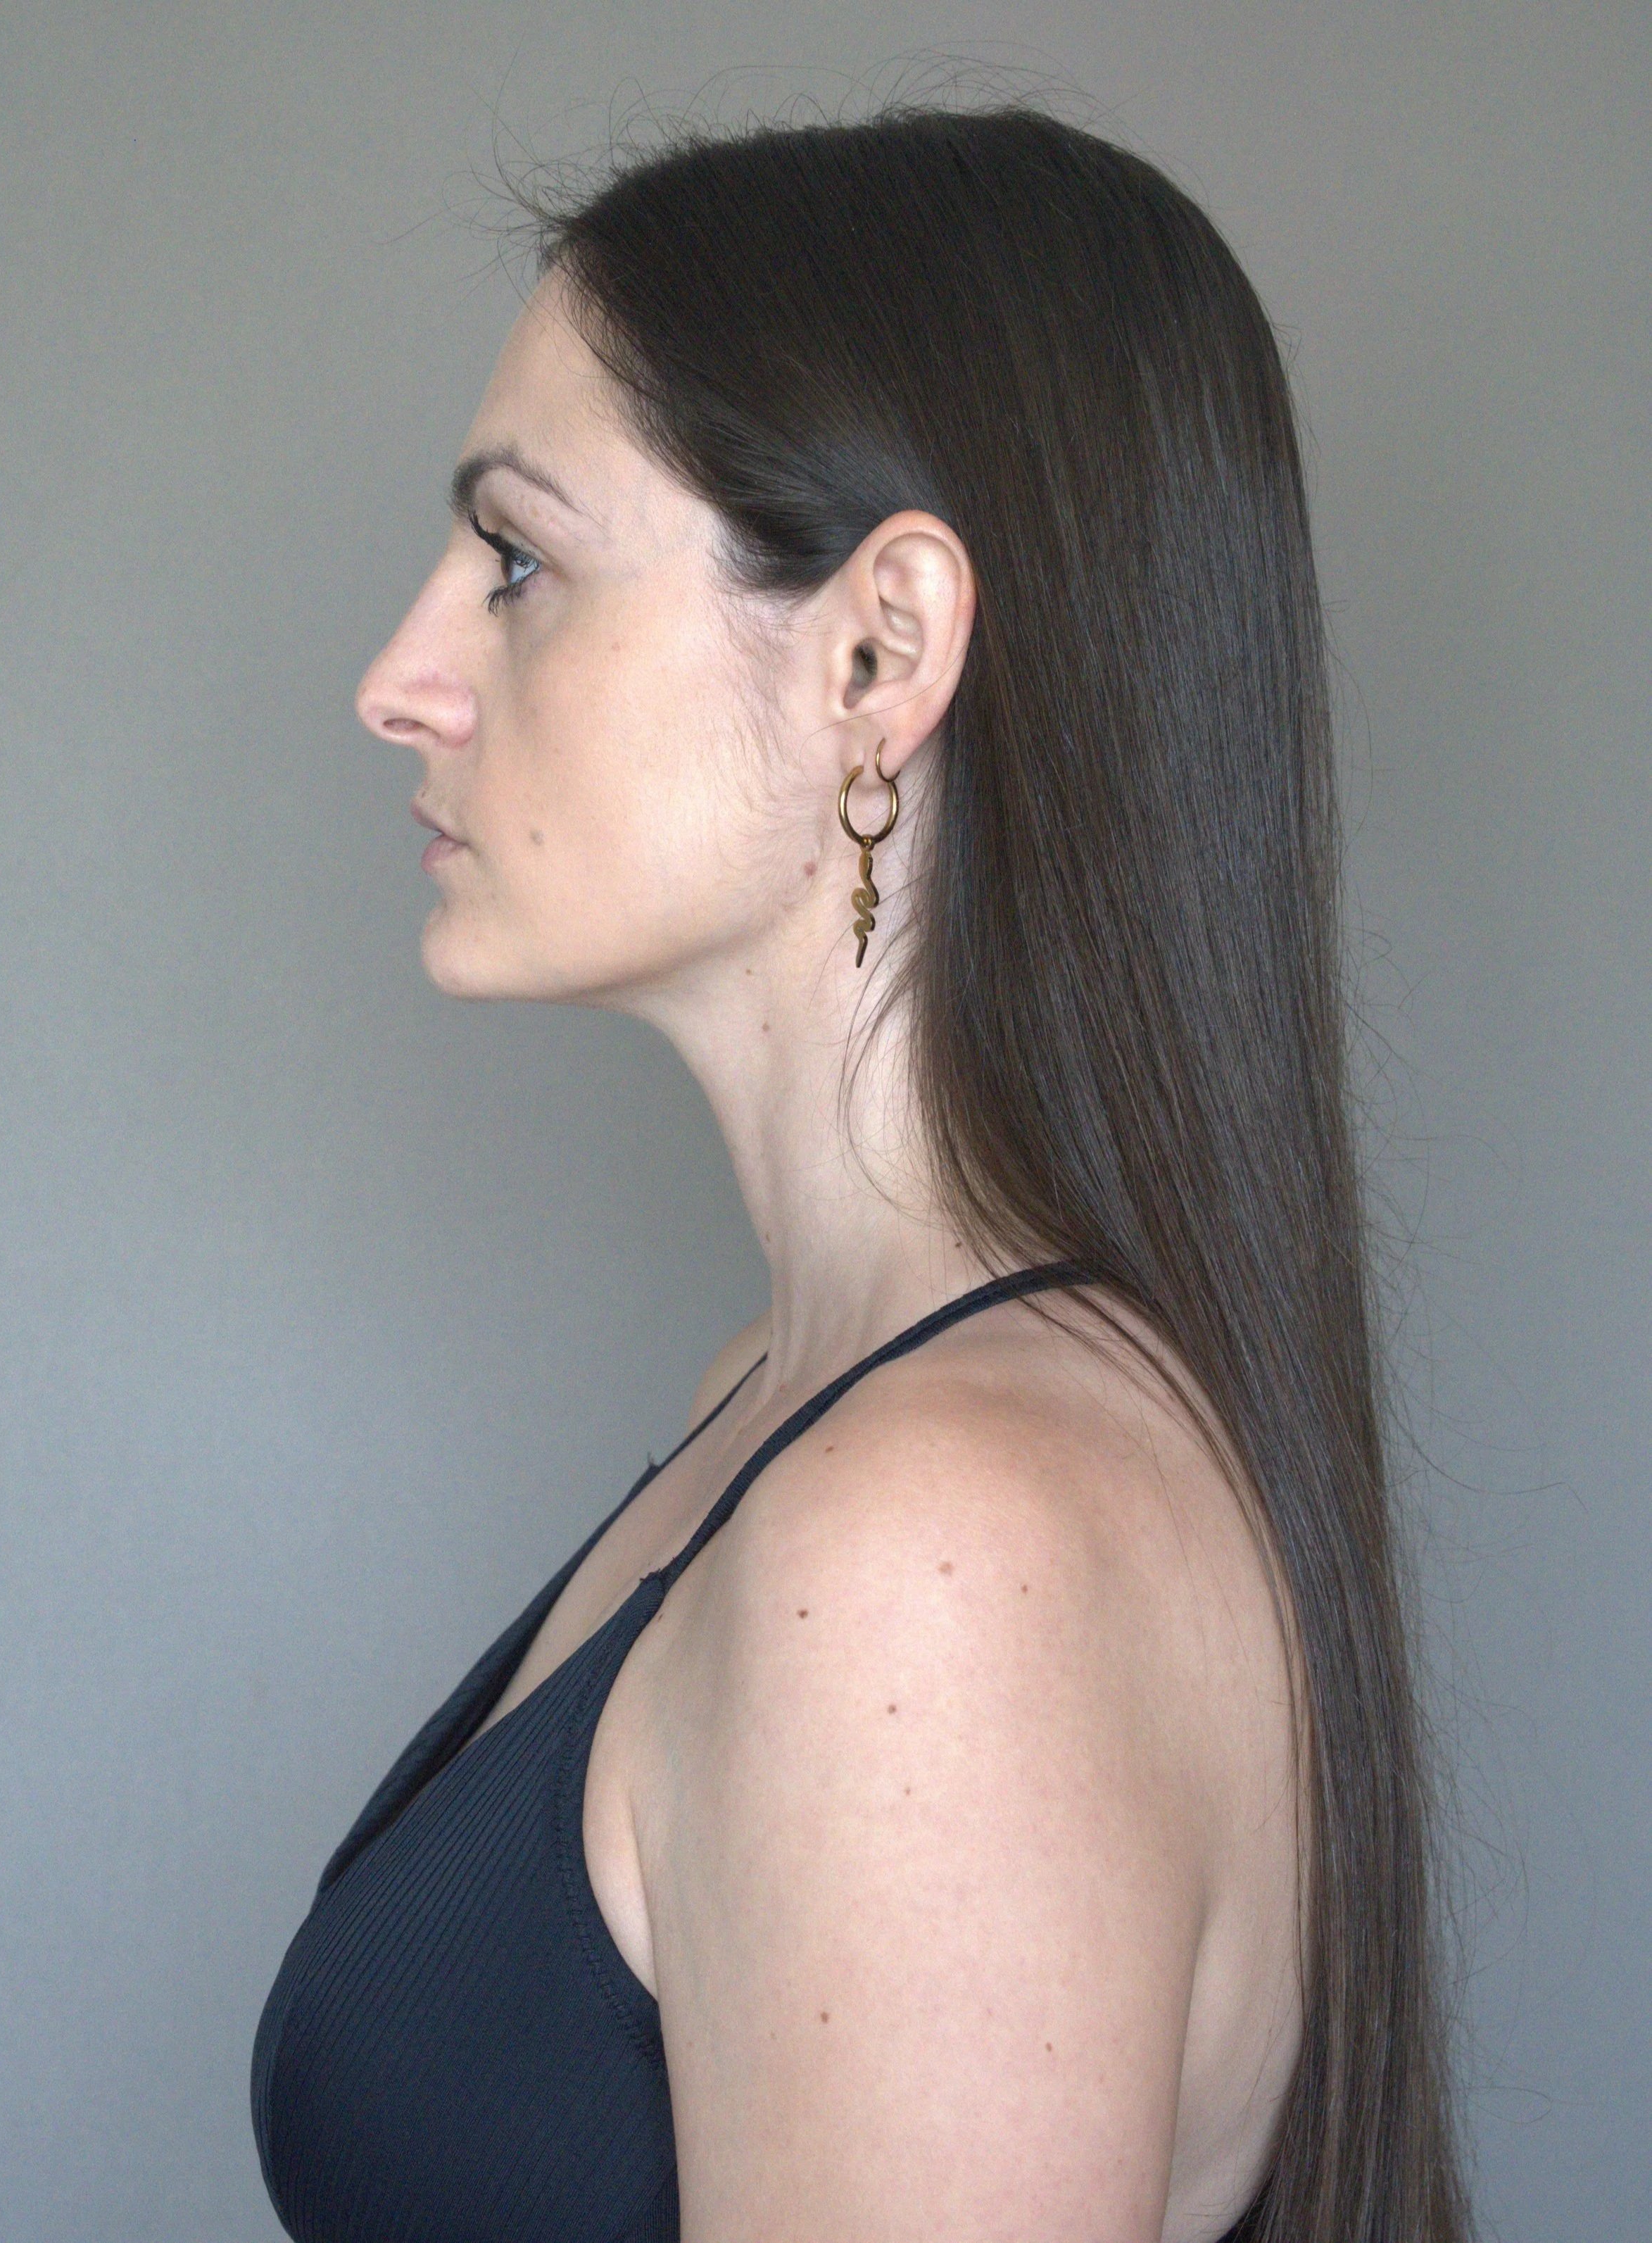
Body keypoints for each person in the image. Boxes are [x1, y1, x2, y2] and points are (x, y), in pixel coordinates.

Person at [251, 103, 1468, 2243]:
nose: (397, 676)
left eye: (518, 557)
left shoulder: (929, 1558)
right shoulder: (805, 1402)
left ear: (880, 653)